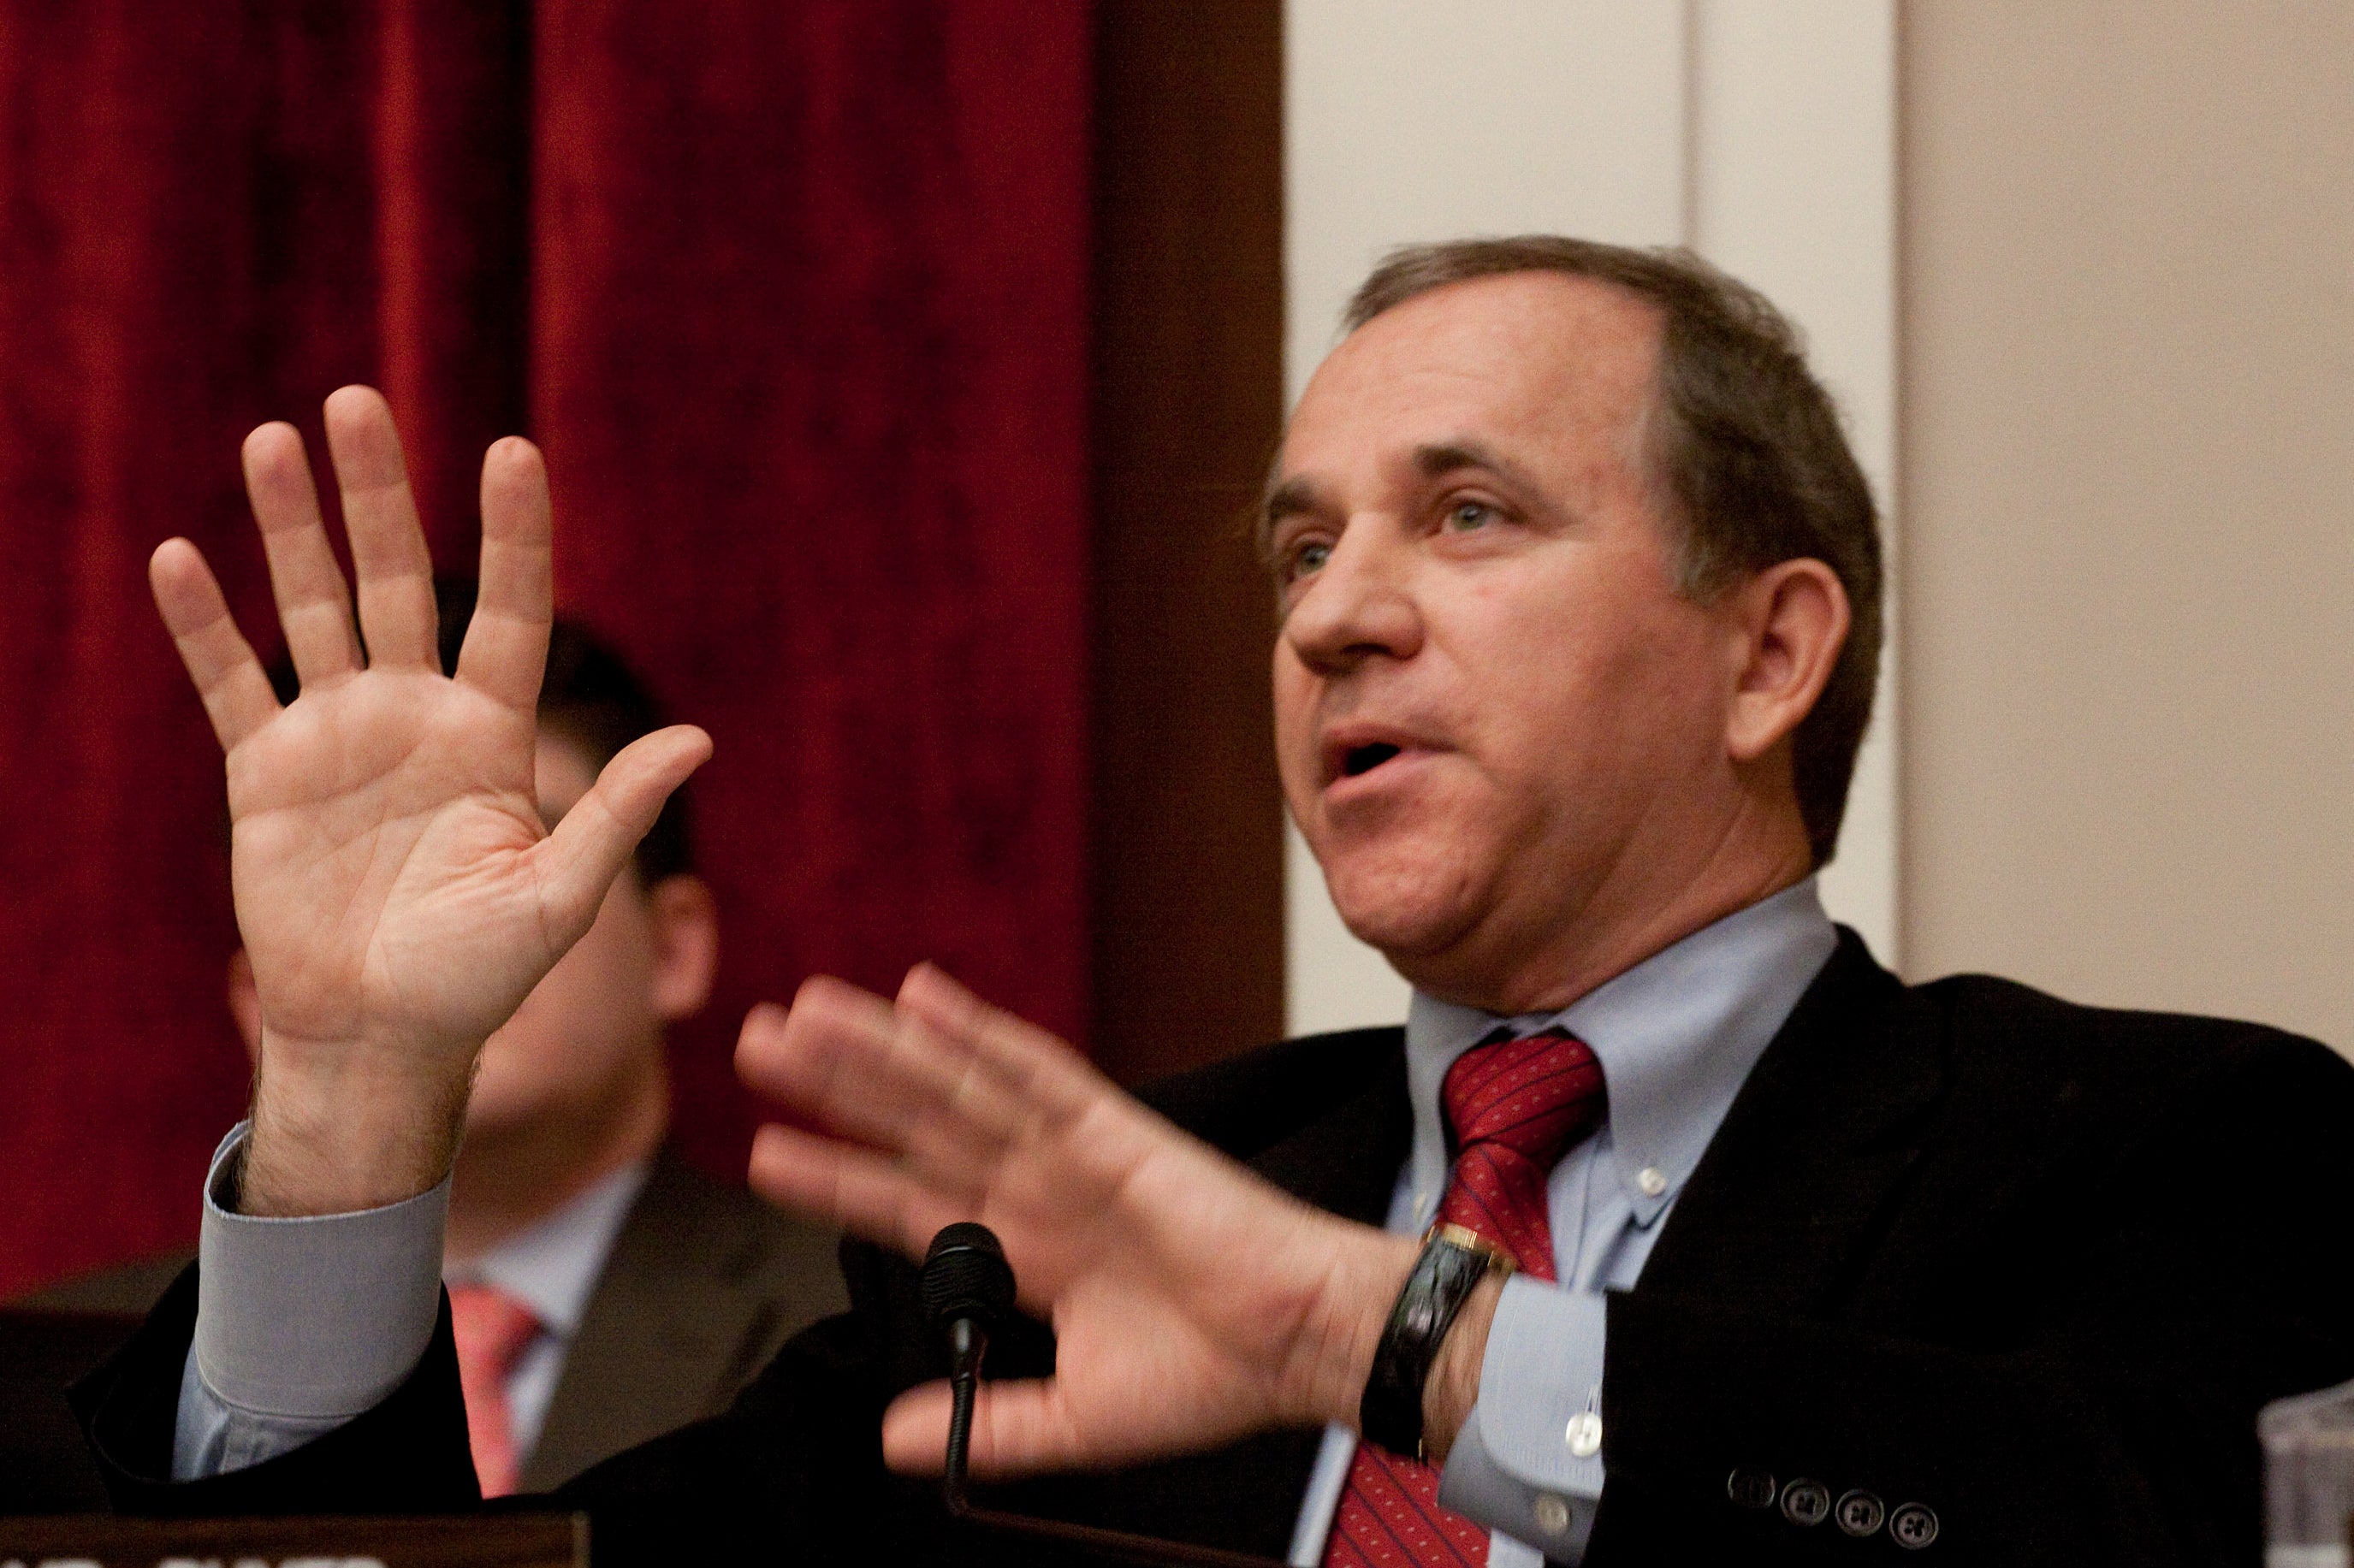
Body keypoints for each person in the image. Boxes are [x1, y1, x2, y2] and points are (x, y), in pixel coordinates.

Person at [72, 240, 2354, 1565]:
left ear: (1766, 649)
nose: (1333, 616)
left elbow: (2112, 1543)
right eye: (1294, 544)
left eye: (1461, 516)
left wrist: (1391, 1347)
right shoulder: (1101, 1223)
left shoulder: (2155, 1148)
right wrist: (359, 1099)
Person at [33, 582, 847, 1494]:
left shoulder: (880, 1336)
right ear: (256, 998)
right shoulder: (46, 1377)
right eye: (378, 872)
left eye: (511, 855)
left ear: (675, 948)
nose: (441, 937)